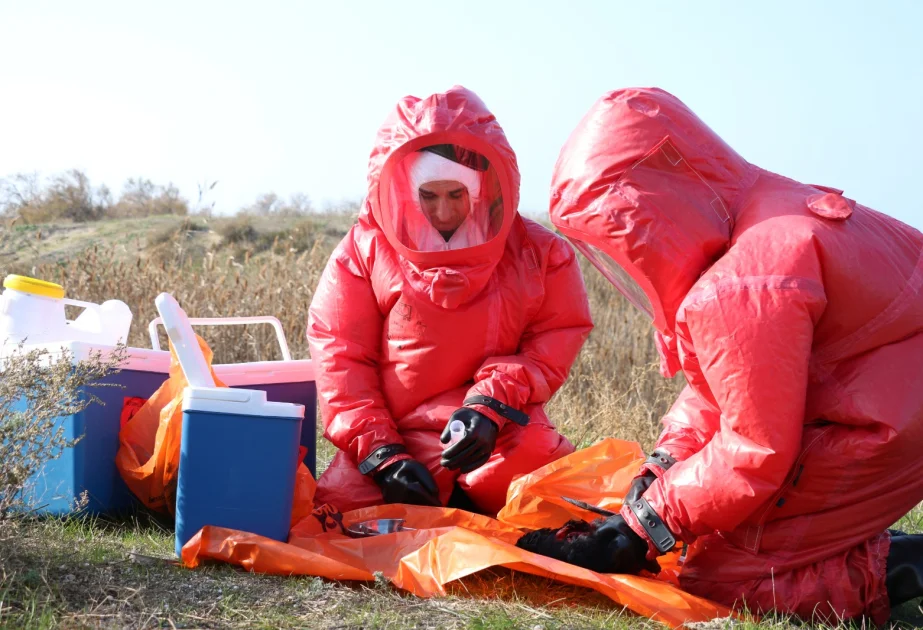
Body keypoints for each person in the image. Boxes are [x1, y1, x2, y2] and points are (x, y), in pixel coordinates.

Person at [521, 87, 923, 624]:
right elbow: (732, 381)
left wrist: (638, 528)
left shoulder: (744, 280)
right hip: (887, 405)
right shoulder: (762, 218)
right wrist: (663, 465)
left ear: (648, 213)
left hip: (884, 425)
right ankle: (851, 541)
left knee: (724, 576)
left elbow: (753, 450)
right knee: (721, 522)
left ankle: (906, 566)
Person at [307, 86, 592, 516]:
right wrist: (383, 457)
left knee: (537, 505)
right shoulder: (364, 251)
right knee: (339, 515)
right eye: (429, 195)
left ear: (480, 189)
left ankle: (473, 501)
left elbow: (553, 340)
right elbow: (341, 357)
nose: (442, 212)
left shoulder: (541, 254)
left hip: (498, 433)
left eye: (456, 195)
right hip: (397, 437)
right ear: (406, 190)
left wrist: (490, 404)